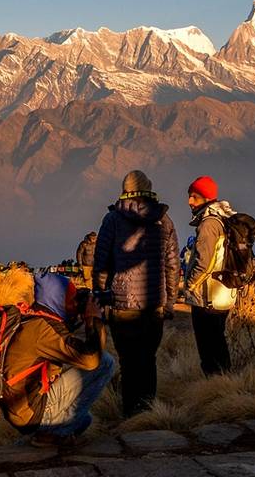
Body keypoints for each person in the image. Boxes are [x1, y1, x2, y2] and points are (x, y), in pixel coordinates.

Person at [92, 170, 179, 418]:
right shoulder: (164, 220)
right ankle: (149, 412)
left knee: (129, 362)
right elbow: (172, 265)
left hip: (123, 306)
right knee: (148, 359)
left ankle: (131, 415)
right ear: (148, 188)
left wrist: (101, 297)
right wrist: (170, 302)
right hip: (154, 305)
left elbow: (101, 264)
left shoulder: (113, 220)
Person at [0, 271, 115, 448]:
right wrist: (93, 320)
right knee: (105, 363)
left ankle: (52, 431)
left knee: (84, 420)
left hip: (23, 408)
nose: (74, 303)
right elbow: (90, 359)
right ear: (57, 298)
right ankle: (49, 434)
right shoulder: (42, 329)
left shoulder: (34, 318)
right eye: (71, 298)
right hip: (30, 411)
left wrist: (79, 317)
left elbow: (69, 347)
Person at [184, 175, 238, 375]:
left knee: (208, 347)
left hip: (208, 296)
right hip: (223, 293)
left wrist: (189, 286)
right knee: (218, 341)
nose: (189, 201)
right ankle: (224, 381)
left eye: (194, 197)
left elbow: (203, 262)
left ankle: (214, 385)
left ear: (206, 198)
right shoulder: (224, 219)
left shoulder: (209, 224)